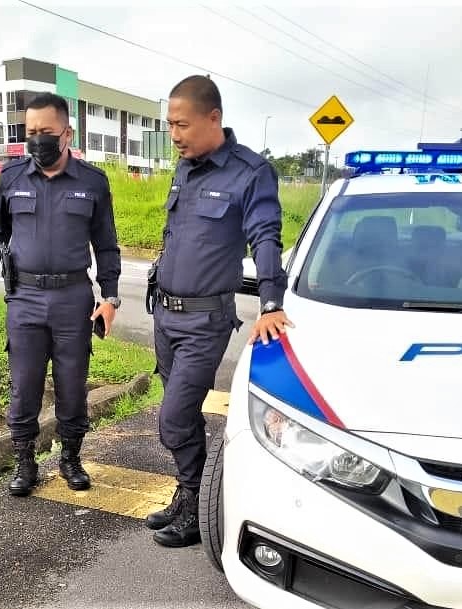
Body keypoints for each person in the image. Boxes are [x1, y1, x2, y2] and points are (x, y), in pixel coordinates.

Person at [146, 76, 293, 548]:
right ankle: (189, 493)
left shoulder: (251, 173)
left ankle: (197, 505)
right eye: (170, 125)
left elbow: (265, 237)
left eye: (182, 125)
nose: (174, 135)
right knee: (183, 415)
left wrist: (271, 302)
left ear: (214, 118)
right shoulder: (184, 168)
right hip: (165, 315)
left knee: (173, 419)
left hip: (204, 321)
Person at [0, 92, 121, 497]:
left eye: (46, 131)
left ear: (67, 133)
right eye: (31, 131)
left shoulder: (92, 182)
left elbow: (106, 245)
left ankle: (70, 458)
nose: (37, 139)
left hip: (73, 298)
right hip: (25, 298)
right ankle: (25, 462)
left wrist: (110, 297)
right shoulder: (12, 177)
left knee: (72, 386)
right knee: (24, 386)